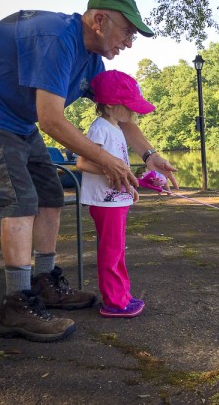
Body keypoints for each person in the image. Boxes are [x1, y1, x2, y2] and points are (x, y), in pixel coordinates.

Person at [0, 0, 178, 342]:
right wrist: (109, 160)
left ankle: (46, 282)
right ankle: (16, 305)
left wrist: (149, 155)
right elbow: (50, 120)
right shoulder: (56, 38)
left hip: (18, 121)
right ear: (99, 20)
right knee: (21, 200)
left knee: (49, 194)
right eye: (128, 32)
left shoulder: (92, 60)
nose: (129, 43)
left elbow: (121, 114)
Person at [77, 70, 154, 318]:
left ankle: (123, 294)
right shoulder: (100, 128)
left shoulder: (116, 128)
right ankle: (113, 302)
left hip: (117, 201)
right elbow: (82, 163)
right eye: (129, 107)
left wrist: (129, 189)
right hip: (104, 202)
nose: (133, 113)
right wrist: (107, 169)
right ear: (110, 105)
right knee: (111, 252)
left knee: (119, 250)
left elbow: (121, 166)